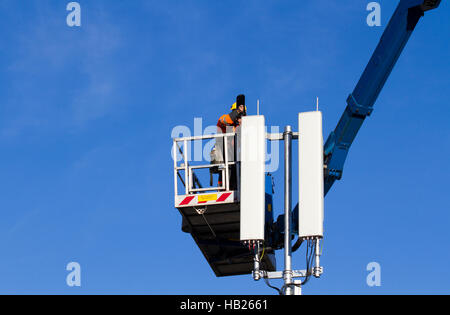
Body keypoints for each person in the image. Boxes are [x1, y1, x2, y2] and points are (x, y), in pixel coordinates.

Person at [211, 95, 247, 188]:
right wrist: (238, 111)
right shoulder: (224, 121)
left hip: (235, 162)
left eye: (243, 116)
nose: (240, 119)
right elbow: (225, 120)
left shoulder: (242, 129)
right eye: (239, 116)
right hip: (224, 158)